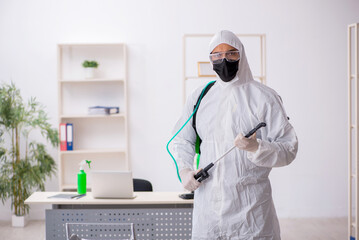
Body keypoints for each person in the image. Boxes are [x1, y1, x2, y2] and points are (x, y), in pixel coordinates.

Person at [171, 30, 298, 240]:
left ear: (242, 55)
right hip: (209, 211)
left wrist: (257, 147)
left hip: (251, 213)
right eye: (217, 55)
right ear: (210, 59)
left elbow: (289, 148)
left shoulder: (264, 97)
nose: (224, 60)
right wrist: (185, 171)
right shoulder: (200, 97)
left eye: (231, 54)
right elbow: (182, 139)